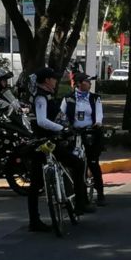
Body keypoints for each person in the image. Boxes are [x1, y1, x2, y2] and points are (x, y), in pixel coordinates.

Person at [28, 67, 95, 233]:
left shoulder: (47, 95)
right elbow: (42, 121)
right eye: (53, 78)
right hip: (44, 143)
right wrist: (61, 129)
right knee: (77, 164)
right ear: (46, 80)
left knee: (37, 183)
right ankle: (80, 203)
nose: (56, 81)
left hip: (46, 141)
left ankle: (36, 220)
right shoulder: (41, 97)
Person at [60, 72, 107, 206]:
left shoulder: (95, 98)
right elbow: (61, 115)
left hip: (90, 133)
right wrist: (64, 127)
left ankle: (100, 193)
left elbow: (99, 114)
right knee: (73, 164)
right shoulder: (68, 98)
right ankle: (74, 195)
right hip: (73, 134)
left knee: (93, 162)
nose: (90, 83)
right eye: (87, 81)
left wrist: (98, 123)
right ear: (79, 84)